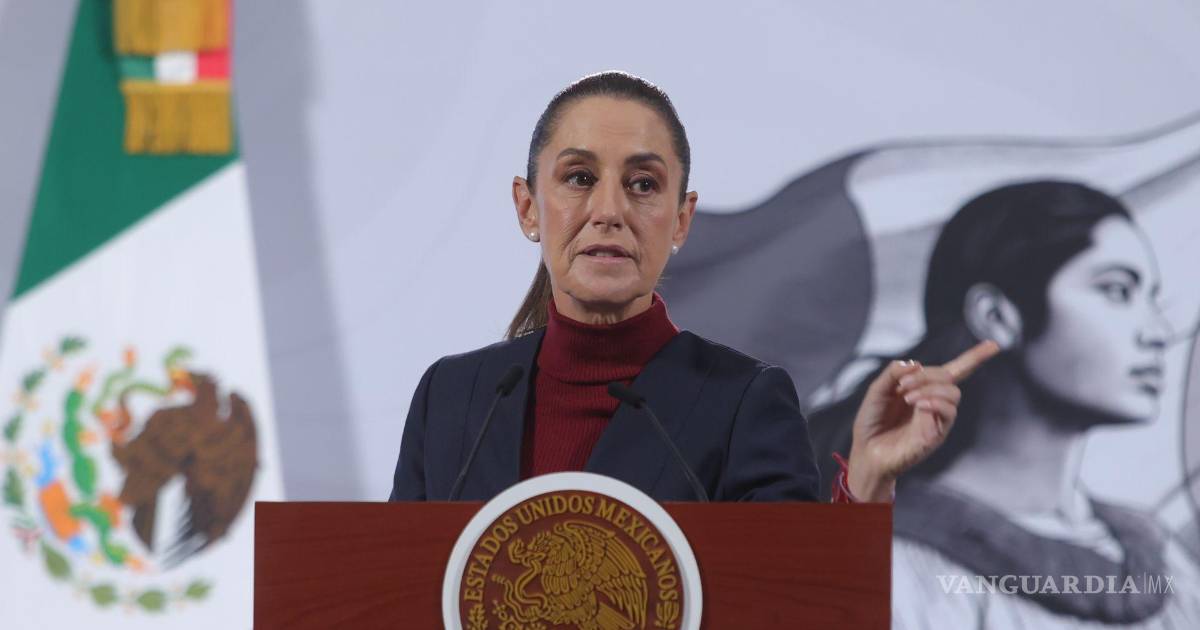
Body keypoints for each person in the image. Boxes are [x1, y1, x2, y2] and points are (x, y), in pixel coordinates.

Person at [388, 71, 995, 504]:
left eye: (643, 184)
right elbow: (393, 591)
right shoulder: (453, 397)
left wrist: (867, 483)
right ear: (527, 208)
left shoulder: (745, 403)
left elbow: (793, 600)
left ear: (681, 220)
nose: (609, 211)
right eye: (579, 177)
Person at [809, 180, 1200, 627]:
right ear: (996, 317)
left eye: (1151, 298)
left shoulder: (1165, 562)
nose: (1159, 332)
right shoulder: (897, 568)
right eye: (1116, 291)